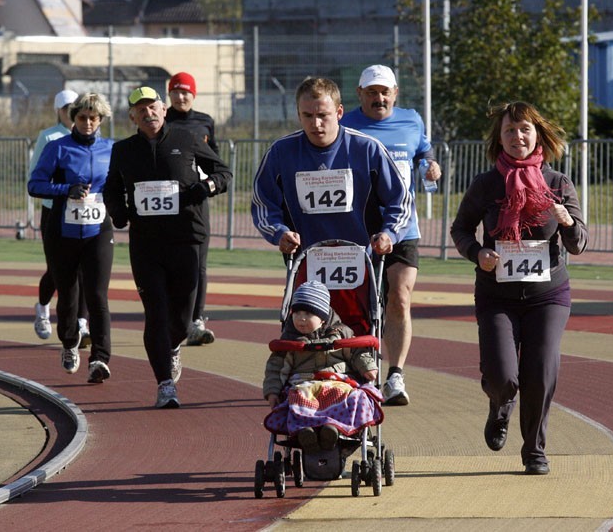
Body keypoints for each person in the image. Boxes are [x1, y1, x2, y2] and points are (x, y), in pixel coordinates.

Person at [449, 101, 588, 475]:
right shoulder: (486, 184)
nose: (517, 137)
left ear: (538, 134)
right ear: (499, 139)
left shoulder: (558, 183)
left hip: (548, 295)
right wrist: (478, 253)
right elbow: (460, 230)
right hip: (497, 295)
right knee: (502, 377)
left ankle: (534, 449)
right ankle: (499, 404)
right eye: (509, 131)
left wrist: (567, 222)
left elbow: (578, 244)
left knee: (540, 371)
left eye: (524, 129)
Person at [104, 86, 232, 408]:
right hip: (147, 245)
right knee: (156, 315)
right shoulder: (124, 150)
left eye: (153, 107)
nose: (149, 114)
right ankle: (164, 385)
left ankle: (174, 346)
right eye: (141, 110)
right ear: (132, 116)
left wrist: (207, 187)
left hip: (186, 238)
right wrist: (119, 213)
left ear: (163, 109)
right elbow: (111, 189)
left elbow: (223, 172)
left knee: (182, 321)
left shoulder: (186, 140)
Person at [340, 64, 442, 406]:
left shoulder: (412, 120)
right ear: (360, 95)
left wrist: (430, 164)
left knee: (399, 298)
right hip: (357, 229)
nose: (378, 98)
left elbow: (423, 149)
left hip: (402, 227)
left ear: (395, 93)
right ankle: (360, 370)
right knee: (361, 305)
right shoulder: (346, 124)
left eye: (384, 91)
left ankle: (395, 375)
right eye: (371, 92)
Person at [251, 76, 413, 261]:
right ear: (298, 114)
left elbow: (401, 201)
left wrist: (389, 234)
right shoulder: (280, 152)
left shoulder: (368, 149)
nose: (316, 123)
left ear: (339, 112)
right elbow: (263, 203)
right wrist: (280, 233)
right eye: (308, 115)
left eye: (323, 115)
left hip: (362, 260)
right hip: (304, 260)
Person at [27, 92, 115, 384]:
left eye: (93, 118)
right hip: (62, 232)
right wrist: (66, 189)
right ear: (73, 119)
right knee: (68, 294)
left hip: (98, 231)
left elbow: (123, 184)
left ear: (101, 120)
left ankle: (100, 358)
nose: (88, 123)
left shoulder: (112, 149)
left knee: (98, 296)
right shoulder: (58, 148)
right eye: (82, 118)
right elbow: (35, 184)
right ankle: (68, 343)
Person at [263, 281, 381, 453]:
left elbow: (357, 352)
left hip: (336, 381)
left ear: (323, 317)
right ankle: (305, 432)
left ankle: (334, 428)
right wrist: (272, 391)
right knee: (297, 397)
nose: (301, 318)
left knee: (349, 397)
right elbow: (276, 367)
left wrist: (367, 367)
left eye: (308, 313)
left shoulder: (341, 334)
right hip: (305, 383)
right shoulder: (290, 340)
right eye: (297, 313)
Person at [29, 89, 90, 345]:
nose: (70, 112)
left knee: (84, 269)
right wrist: (63, 190)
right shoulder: (49, 137)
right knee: (57, 270)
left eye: (73, 107)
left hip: (84, 212)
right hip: (55, 211)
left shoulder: (88, 134)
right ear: (58, 111)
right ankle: (43, 307)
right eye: (65, 108)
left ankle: (82, 324)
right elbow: (36, 176)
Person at [165, 71, 219, 347]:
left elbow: (215, 163)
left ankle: (197, 319)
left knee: (199, 263)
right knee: (168, 261)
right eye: (176, 91)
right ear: (169, 94)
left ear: (194, 94)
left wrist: (209, 184)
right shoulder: (160, 120)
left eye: (186, 91)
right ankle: (173, 317)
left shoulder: (205, 122)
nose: (181, 96)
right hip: (164, 201)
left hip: (195, 201)